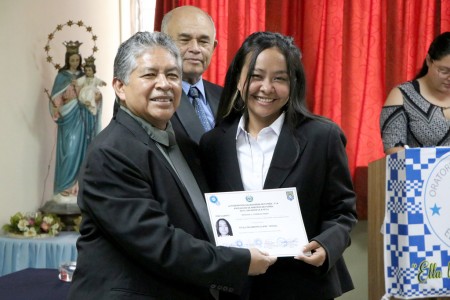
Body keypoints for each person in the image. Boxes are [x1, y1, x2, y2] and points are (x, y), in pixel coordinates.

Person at [67, 31, 276, 300]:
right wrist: (240, 262)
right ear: (120, 86)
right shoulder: (111, 152)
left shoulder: (184, 144)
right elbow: (158, 243)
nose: (164, 84)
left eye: (173, 75)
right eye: (150, 75)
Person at [199, 32, 357, 300]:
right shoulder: (213, 144)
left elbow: (343, 211)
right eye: (256, 76)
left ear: (294, 83)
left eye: (279, 78)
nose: (266, 87)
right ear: (238, 78)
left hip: (303, 285)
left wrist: (326, 245)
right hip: (239, 289)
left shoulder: (323, 136)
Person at [380, 31, 450, 155]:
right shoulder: (402, 96)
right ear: (429, 60)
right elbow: (393, 150)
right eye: (444, 71)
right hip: (419, 172)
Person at [160, 5, 222, 144]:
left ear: (213, 47)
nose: (195, 48)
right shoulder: (153, 96)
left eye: (203, 41)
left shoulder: (225, 97)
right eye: (184, 40)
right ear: (163, 42)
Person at [49, 41, 99, 202]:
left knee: (82, 151)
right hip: (68, 118)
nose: (75, 63)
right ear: (67, 60)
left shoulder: (84, 77)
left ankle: (76, 188)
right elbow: (56, 98)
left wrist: (97, 98)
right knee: (69, 151)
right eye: (72, 60)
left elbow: (93, 93)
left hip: (82, 117)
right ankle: (64, 187)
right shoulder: (62, 77)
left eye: (77, 60)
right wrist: (57, 107)